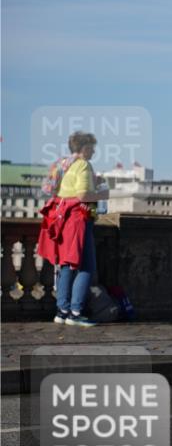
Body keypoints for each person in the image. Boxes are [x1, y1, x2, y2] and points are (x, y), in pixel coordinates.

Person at [38, 131, 108, 327]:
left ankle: (62, 311)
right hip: (78, 219)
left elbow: (64, 191)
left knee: (67, 265)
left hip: (62, 218)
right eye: (92, 147)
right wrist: (103, 192)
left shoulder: (63, 163)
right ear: (84, 148)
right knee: (87, 266)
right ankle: (75, 313)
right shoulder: (83, 165)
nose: (94, 151)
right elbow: (83, 195)